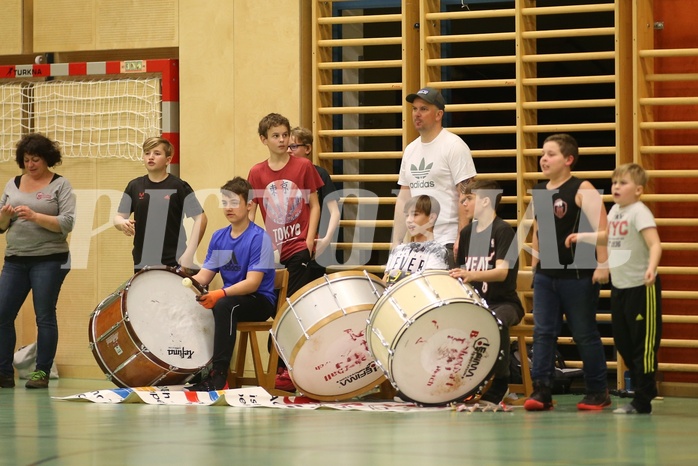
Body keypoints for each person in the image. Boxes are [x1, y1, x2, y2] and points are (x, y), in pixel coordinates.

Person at [566, 163, 662, 414]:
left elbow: (655, 244)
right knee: (623, 342)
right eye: (615, 182)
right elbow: (607, 237)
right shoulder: (616, 211)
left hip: (642, 287)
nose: (617, 187)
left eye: (624, 183)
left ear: (639, 190)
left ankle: (643, 398)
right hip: (620, 287)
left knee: (643, 345)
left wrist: (651, 267)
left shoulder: (639, 212)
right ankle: (646, 387)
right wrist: (581, 237)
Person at [525, 133, 611, 411]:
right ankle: (542, 391)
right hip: (546, 276)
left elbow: (603, 228)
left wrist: (603, 264)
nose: (544, 159)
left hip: (578, 275)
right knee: (543, 333)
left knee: (584, 333)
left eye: (551, 154)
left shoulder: (581, 187)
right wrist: (534, 266)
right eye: (543, 153)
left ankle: (598, 391)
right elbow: (538, 230)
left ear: (569, 159)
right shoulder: (540, 190)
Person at [247, 113, 324, 391]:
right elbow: (252, 211)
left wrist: (309, 238)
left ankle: (281, 368)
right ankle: (281, 367)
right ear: (264, 140)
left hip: (298, 250)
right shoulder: (257, 172)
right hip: (272, 253)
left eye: (285, 135)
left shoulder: (303, 166)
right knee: (277, 310)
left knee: (289, 309)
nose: (282, 140)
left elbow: (314, 205)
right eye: (276, 136)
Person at [183, 177, 277, 392]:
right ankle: (198, 369)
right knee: (195, 303)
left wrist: (219, 294)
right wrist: (181, 283)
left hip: (259, 301)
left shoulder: (259, 238)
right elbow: (205, 275)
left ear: (249, 205)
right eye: (224, 202)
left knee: (225, 306)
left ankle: (219, 376)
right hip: (230, 298)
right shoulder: (219, 237)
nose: (228, 208)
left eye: (234, 202)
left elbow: (253, 284)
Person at [0, 133, 75, 389]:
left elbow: (66, 223)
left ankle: (41, 372)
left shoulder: (60, 185)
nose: (31, 165)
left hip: (50, 260)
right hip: (15, 259)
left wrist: (34, 216)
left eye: (36, 160)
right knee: (2, 314)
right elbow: (1, 226)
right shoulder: (13, 183)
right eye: (27, 160)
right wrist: (5, 217)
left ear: (47, 160)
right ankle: (4, 373)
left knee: (43, 315)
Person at [449, 179, 524, 406]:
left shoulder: (503, 231)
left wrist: (472, 275)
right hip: (475, 302)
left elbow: (501, 272)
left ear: (485, 201)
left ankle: (502, 382)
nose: (463, 204)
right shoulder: (468, 232)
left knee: (495, 320)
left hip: (504, 303)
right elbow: (462, 271)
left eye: (468, 199)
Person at [392, 87, 477, 268]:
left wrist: (461, 238)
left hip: (447, 240)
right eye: (414, 109)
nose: (417, 114)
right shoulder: (410, 150)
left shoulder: (454, 146)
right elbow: (403, 199)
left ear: (438, 115)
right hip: (418, 243)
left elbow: (467, 196)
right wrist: (396, 243)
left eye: (423, 109)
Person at [114, 136, 207, 274]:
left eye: (157, 154)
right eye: (147, 153)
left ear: (168, 160)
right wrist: (122, 223)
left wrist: (189, 253)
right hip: (142, 261)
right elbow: (118, 217)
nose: (151, 157)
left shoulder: (179, 186)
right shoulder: (134, 186)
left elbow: (201, 218)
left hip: (174, 261)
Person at [288, 127, 340, 281]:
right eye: (287, 147)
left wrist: (326, 240)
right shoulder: (286, 177)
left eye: (294, 146)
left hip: (316, 246)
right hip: (292, 247)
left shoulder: (320, 174)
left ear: (308, 148)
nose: (289, 151)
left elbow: (335, 212)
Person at [384, 195, 449, 286]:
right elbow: (385, 282)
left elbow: (432, 285)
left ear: (431, 218)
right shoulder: (398, 249)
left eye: (415, 214)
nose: (409, 220)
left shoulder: (437, 251)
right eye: (407, 215)